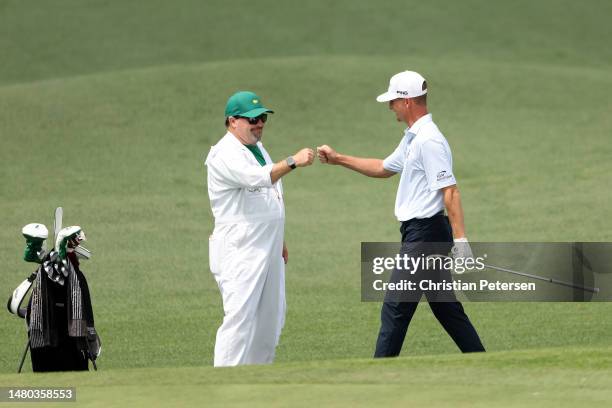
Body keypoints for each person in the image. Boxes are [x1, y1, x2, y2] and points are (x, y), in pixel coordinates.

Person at [317, 71, 485, 357]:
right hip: (421, 232)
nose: (389, 106)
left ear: (407, 102)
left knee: (395, 307)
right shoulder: (412, 139)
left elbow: (451, 191)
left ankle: (378, 376)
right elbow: (383, 168)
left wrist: (462, 241)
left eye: (393, 100)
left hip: (425, 234)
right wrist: (339, 159)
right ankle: (481, 360)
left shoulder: (428, 141)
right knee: (446, 308)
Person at [205, 91, 314, 367]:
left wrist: (280, 239)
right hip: (239, 250)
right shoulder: (224, 153)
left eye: (262, 118)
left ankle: (257, 381)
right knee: (240, 317)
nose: (259, 124)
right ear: (232, 121)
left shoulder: (256, 147)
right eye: (252, 119)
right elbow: (257, 178)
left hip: (267, 247)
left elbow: (269, 199)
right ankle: (222, 384)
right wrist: (293, 161)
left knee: (271, 318)